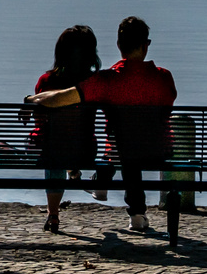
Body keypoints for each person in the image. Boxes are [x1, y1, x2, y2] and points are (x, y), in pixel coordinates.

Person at [27, 16, 176, 233]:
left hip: (122, 153)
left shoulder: (107, 80)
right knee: (129, 147)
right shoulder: (164, 78)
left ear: (118, 45)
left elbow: (63, 98)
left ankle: (104, 188)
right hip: (159, 150)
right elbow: (168, 104)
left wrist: (31, 99)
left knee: (123, 147)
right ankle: (128, 206)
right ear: (146, 45)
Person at [28, 25, 101, 232]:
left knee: (53, 148)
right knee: (61, 146)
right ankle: (73, 170)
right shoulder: (94, 82)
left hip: (52, 149)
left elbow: (40, 122)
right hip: (85, 150)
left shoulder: (46, 81)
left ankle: (53, 215)